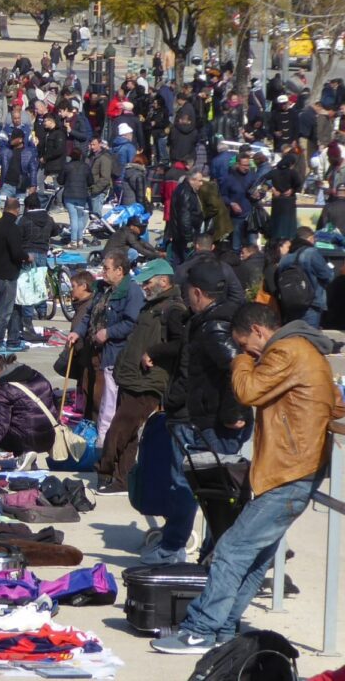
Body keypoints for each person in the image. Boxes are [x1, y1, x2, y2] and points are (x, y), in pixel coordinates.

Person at [153, 303, 345, 655]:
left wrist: (238, 360)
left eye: (246, 344)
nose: (247, 353)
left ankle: (200, 629)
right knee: (256, 555)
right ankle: (224, 626)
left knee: (231, 549)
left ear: (258, 331)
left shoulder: (285, 350)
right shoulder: (304, 349)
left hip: (290, 470)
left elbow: (248, 391)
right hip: (295, 468)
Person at [145, 263, 249, 567]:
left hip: (205, 421)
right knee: (207, 489)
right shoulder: (208, 321)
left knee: (201, 488)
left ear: (198, 293)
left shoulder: (215, 325)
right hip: (198, 416)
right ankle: (204, 550)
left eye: (187, 291)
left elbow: (236, 370)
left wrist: (234, 413)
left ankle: (182, 547)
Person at [96, 259, 187, 495]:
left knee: (118, 430)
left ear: (164, 281)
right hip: (130, 377)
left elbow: (182, 345)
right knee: (127, 434)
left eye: (148, 282)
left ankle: (104, 469)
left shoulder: (173, 310)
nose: (144, 286)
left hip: (148, 382)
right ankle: (122, 479)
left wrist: (154, 353)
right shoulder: (152, 306)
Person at [0, 353, 60, 463]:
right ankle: (28, 457)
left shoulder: (2, 390)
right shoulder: (35, 375)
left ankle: (23, 456)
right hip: (50, 436)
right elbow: (54, 404)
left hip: (28, 441)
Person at [95, 249, 144, 448]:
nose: (103, 272)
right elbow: (91, 312)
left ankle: (105, 444)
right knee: (107, 401)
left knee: (111, 403)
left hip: (120, 355)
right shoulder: (106, 289)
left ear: (120, 270)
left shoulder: (131, 291)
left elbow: (131, 322)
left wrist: (108, 333)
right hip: (108, 355)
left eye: (106, 268)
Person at [0, 197, 30, 354]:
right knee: (5, 310)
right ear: (17, 210)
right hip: (8, 273)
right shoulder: (12, 228)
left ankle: (13, 340)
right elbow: (17, 252)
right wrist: (27, 257)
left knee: (13, 308)